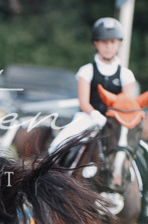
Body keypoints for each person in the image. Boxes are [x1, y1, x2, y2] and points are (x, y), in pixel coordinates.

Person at [49, 18, 136, 153]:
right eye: (104, 42)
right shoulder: (87, 71)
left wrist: (113, 118)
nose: (108, 46)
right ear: (96, 43)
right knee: (57, 145)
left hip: (115, 122)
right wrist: (96, 115)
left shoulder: (126, 74)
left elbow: (126, 104)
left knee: (132, 148)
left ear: (119, 44)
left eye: (112, 42)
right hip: (88, 117)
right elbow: (84, 102)